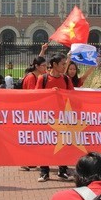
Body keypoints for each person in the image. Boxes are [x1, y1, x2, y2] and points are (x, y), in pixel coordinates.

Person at [35, 53, 74, 181]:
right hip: (47, 117)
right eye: (63, 64)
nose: (64, 66)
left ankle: (62, 170)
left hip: (63, 117)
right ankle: (44, 171)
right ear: (55, 65)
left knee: (63, 143)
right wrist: (50, 93)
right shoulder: (43, 78)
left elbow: (73, 97)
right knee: (46, 144)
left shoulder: (66, 79)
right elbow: (36, 96)